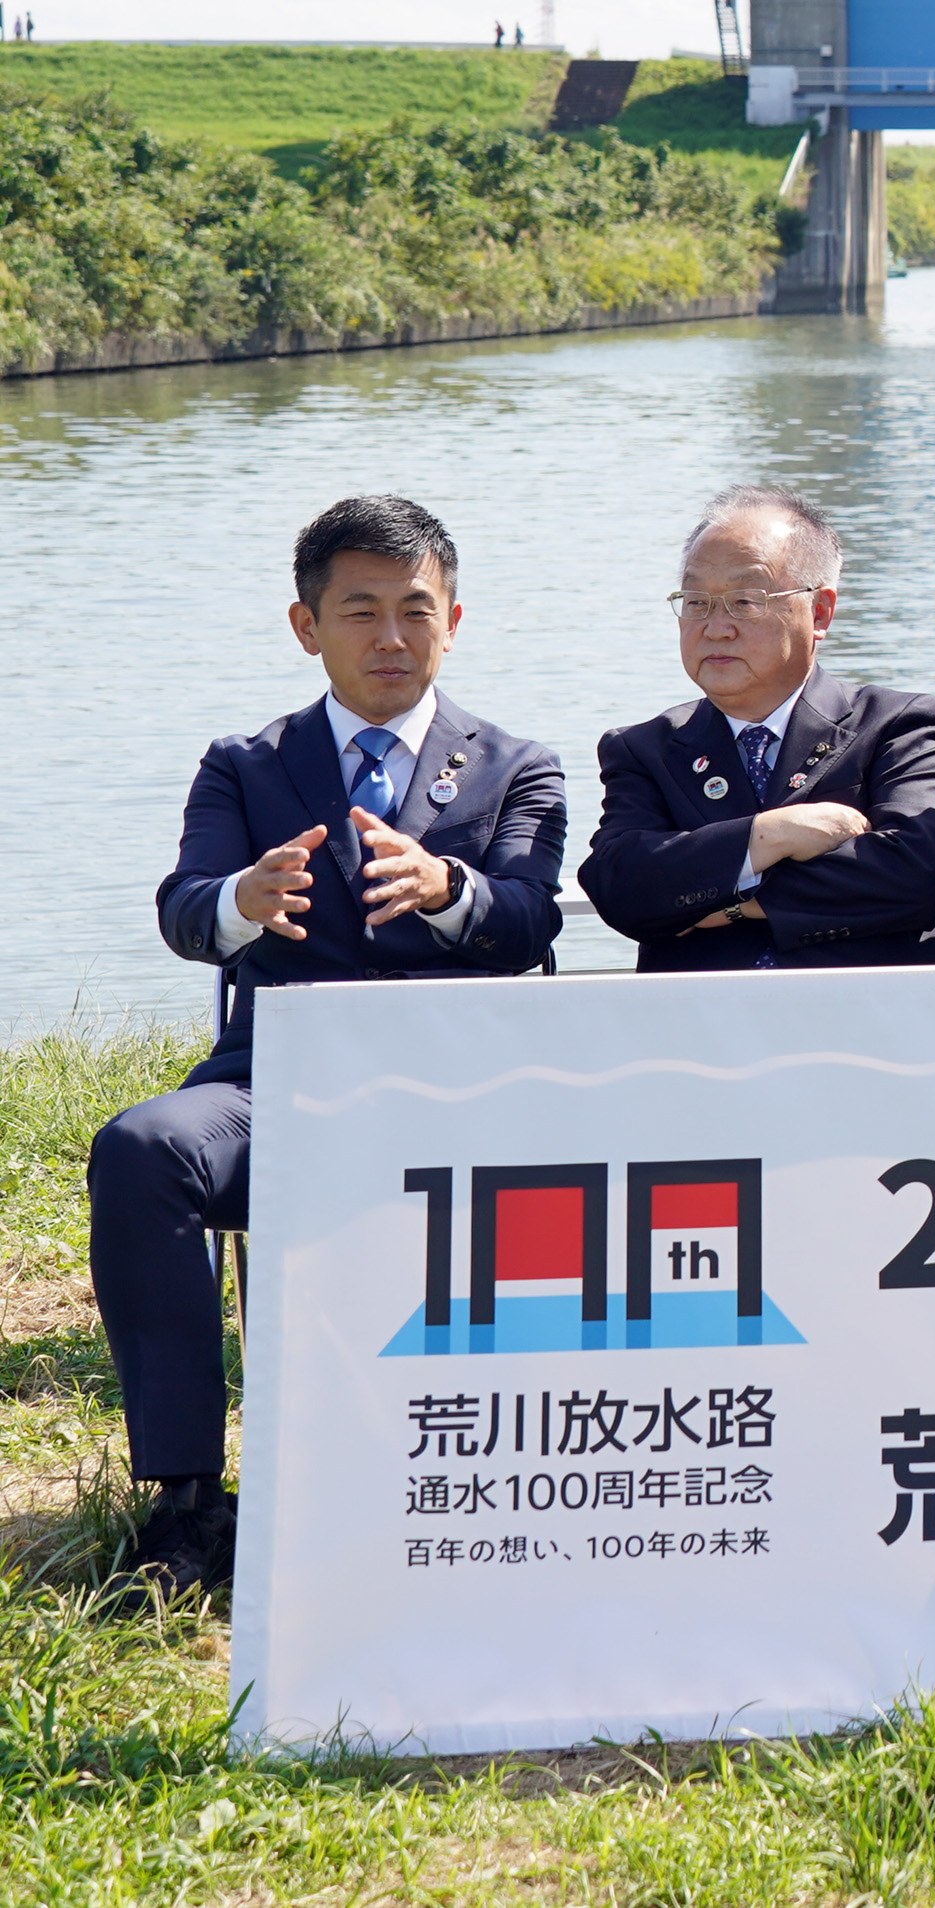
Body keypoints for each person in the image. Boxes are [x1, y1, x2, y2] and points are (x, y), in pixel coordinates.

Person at [108, 496, 564, 1598]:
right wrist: (243, 899)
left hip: (460, 1088)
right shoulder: (245, 764)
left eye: (418, 609)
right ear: (308, 626)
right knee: (142, 1145)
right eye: (361, 610)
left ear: (456, 617)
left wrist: (452, 890)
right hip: (280, 1082)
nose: (393, 637)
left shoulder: (517, 764)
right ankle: (186, 1502)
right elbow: (183, 908)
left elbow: (531, 919)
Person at [581, 487, 935, 971]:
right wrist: (771, 835)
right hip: (702, 1022)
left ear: (820, 612)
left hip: (872, 1012)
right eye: (697, 602)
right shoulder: (644, 749)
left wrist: (726, 903)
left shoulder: (895, 724)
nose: (715, 627)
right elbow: (621, 888)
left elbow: (914, 875)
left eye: (745, 601)